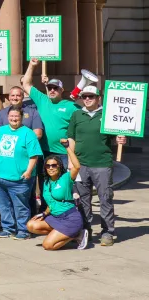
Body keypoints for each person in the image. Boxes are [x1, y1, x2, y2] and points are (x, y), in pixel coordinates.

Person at [67, 85, 128, 247]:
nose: (87, 99)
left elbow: (117, 136)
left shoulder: (108, 115)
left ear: (98, 98)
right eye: (84, 96)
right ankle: (86, 230)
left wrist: (120, 139)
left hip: (102, 164)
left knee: (105, 198)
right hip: (81, 165)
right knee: (82, 200)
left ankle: (108, 231)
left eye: (91, 96)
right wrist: (71, 163)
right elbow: (71, 139)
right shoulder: (76, 115)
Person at [0, 107, 42, 240]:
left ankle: (23, 231)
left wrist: (29, 171)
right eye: (11, 116)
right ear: (7, 117)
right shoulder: (0, 131)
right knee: (3, 205)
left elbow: (34, 155)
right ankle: (8, 228)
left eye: (16, 116)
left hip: (19, 179)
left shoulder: (28, 133)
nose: (14, 119)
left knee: (20, 206)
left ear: (22, 117)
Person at [26, 146, 88, 250]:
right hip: (55, 217)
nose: (51, 168)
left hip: (69, 218)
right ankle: (61, 234)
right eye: (48, 166)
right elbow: (51, 203)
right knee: (31, 225)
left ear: (59, 166)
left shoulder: (66, 178)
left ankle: (77, 234)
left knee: (47, 246)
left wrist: (68, 148)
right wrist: (44, 213)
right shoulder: (46, 182)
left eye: (54, 165)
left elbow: (77, 166)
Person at [22, 58, 78, 166]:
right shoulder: (42, 100)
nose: (52, 90)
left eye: (55, 88)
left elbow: (87, 115)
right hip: (43, 151)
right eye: (50, 87)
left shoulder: (71, 106)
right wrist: (32, 65)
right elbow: (26, 84)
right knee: (44, 181)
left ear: (62, 90)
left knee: (61, 182)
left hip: (63, 153)